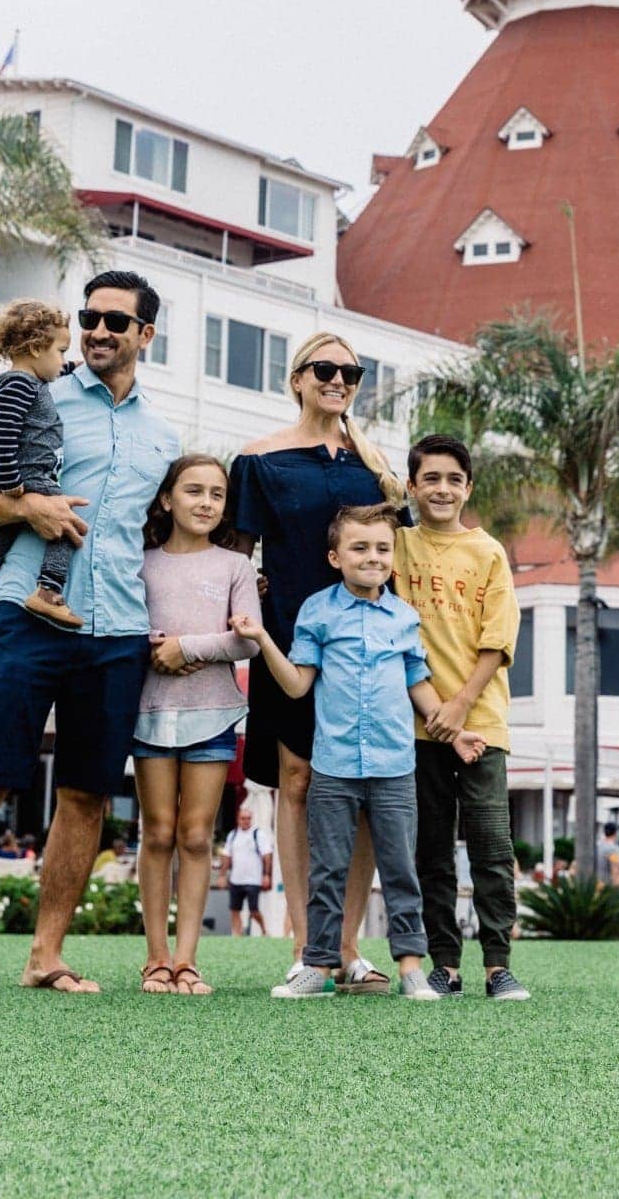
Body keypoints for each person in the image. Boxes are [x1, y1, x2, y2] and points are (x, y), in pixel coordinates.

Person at [0, 268, 179, 997]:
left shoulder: (164, 432)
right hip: (25, 616)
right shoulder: (37, 393)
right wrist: (29, 507)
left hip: (119, 629)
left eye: (114, 322)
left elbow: (159, 531)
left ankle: (47, 956)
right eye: (88, 317)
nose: (97, 331)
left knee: (88, 795)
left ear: (144, 335)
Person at [232, 501, 486, 1000]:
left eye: (382, 549)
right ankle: (318, 966)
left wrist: (454, 733)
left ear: (394, 558)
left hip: (394, 767)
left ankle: (412, 968)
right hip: (334, 766)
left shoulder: (403, 617)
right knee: (327, 869)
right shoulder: (317, 612)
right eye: (359, 547)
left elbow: (420, 685)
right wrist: (261, 636)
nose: (372, 557)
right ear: (335, 557)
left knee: (400, 870)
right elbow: (298, 686)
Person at [228, 330, 407, 994]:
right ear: (297, 378)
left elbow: (400, 554)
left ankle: (348, 944)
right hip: (289, 643)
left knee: (360, 796)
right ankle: (311, 943)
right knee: (297, 783)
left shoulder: (374, 466)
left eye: (351, 372)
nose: (338, 380)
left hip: (369, 649)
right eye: (325, 369)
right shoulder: (258, 459)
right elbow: (235, 554)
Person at [396, 433, 528, 1002]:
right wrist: (434, 711)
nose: (442, 489)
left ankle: (497, 964)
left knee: (492, 847)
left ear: (468, 488)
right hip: (417, 727)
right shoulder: (397, 545)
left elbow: (497, 643)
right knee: (431, 849)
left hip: (482, 724)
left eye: (454, 479)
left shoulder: (489, 552)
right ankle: (444, 966)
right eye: (431, 479)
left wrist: (457, 707)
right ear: (412, 486)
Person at [132, 455, 261, 996]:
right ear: (166, 500)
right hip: (150, 713)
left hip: (213, 714)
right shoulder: (141, 564)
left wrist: (190, 647)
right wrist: (154, 646)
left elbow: (247, 639)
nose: (206, 502)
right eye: (193, 491)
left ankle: (187, 959)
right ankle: (156, 958)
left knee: (194, 834)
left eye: (216, 494)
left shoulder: (234, 566)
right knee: (157, 831)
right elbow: (126, 626)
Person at [0, 300, 79, 633]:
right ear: (37, 348)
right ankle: (48, 591)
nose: (63, 360)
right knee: (65, 524)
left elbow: (52, 372)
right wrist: (10, 481)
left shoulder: (31, 382)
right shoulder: (19, 385)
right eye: (61, 351)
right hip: (33, 475)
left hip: (30, 475)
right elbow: (4, 435)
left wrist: (71, 369)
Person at [223, 803, 273, 935]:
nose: (246, 821)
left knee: (254, 910)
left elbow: (267, 855)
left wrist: (266, 875)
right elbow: (227, 855)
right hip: (236, 879)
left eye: (248, 818)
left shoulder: (258, 834)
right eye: (243, 818)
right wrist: (222, 875)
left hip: (253, 879)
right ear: (238, 819)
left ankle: (263, 929)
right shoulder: (232, 835)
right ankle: (237, 935)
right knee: (234, 910)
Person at [595, 823, 619, 888]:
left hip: (594, 885)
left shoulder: (597, 846)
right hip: (606, 888)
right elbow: (615, 870)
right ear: (616, 833)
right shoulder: (613, 849)